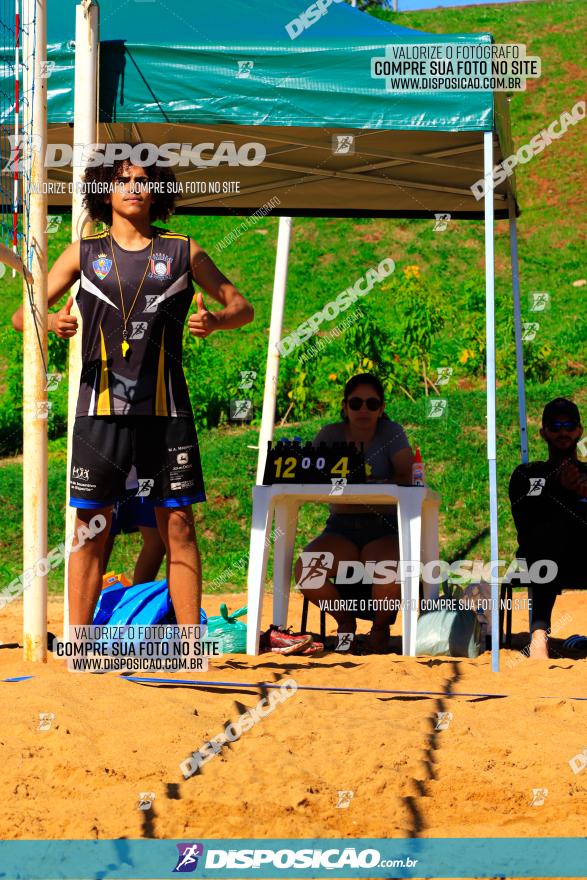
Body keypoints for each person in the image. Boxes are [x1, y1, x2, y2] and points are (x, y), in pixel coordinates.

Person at [11, 155, 254, 627]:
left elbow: (240, 305)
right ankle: (80, 645)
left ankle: (188, 645)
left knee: (177, 524)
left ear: (156, 191)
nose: (134, 188)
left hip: (167, 409)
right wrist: (52, 320)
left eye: (143, 181)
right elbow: (25, 315)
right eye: (123, 180)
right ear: (105, 191)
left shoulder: (184, 251)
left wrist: (217, 319)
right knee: (89, 527)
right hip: (100, 408)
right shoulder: (84, 252)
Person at [293, 373, 415, 654]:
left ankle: (381, 629)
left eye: (372, 404)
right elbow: (309, 476)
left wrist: (371, 485)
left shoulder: (392, 432)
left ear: (382, 408)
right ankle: (345, 622)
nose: (363, 409)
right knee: (306, 570)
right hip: (341, 528)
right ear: (345, 406)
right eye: (356, 403)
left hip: (384, 527)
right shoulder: (329, 434)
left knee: (390, 572)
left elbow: (407, 475)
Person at [509, 398, 587, 659]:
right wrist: (559, 487)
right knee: (547, 534)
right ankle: (538, 635)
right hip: (543, 557)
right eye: (555, 426)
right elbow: (525, 521)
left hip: (582, 557)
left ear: (579, 431)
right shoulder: (528, 474)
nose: (562, 431)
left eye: (569, 425)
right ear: (543, 432)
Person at [102, 492, 165, 586]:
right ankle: (87, 596)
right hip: (105, 481)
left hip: (144, 481)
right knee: (100, 540)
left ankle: (139, 595)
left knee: (157, 538)